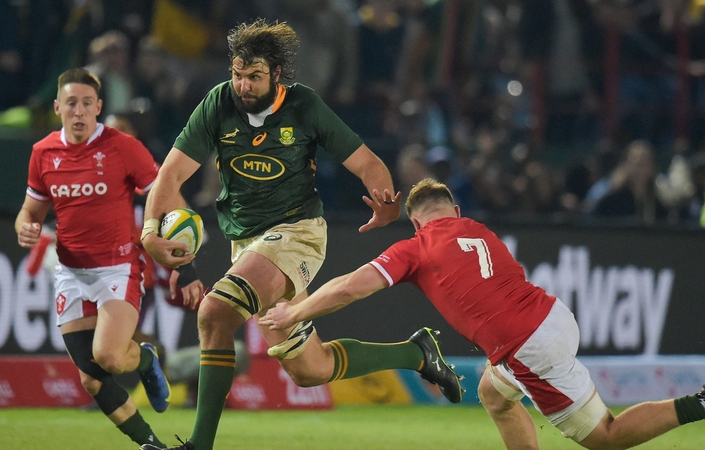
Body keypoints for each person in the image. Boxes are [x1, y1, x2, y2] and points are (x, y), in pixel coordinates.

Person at [138, 19, 462, 450]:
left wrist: (386, 203)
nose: (243, 85)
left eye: (254, 76)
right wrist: (149, 231)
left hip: (297, 234)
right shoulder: (218, 102)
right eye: (237, 74)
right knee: (311, 369)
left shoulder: (304, 106)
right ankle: (416, 353)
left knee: (214, 313)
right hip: (247, 244)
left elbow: (366, 162)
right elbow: (171, 174)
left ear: (277, 74)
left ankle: (199, 446)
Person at [260, 178, 705, 450]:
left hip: (528, 346)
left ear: (417, 223)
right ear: (456, 212)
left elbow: (350, 287)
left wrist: (294, 310)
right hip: (552, 317)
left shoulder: (416, 247)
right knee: (493, 393)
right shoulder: (479, 230)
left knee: (606, 439)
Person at [14, 68, 182, 449]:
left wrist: (177, 243)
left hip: (118, 267)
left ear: (99, 107)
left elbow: (164, 191)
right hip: (71, 273)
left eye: (87, 103)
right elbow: (30, 212)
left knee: (108, 356)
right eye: (71, 103)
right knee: (91, 379)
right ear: (57, 107)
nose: (79, 111)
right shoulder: (43, 153)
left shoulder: (122, 147)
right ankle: (152, 444)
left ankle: (145, 360)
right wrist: (25, 227)